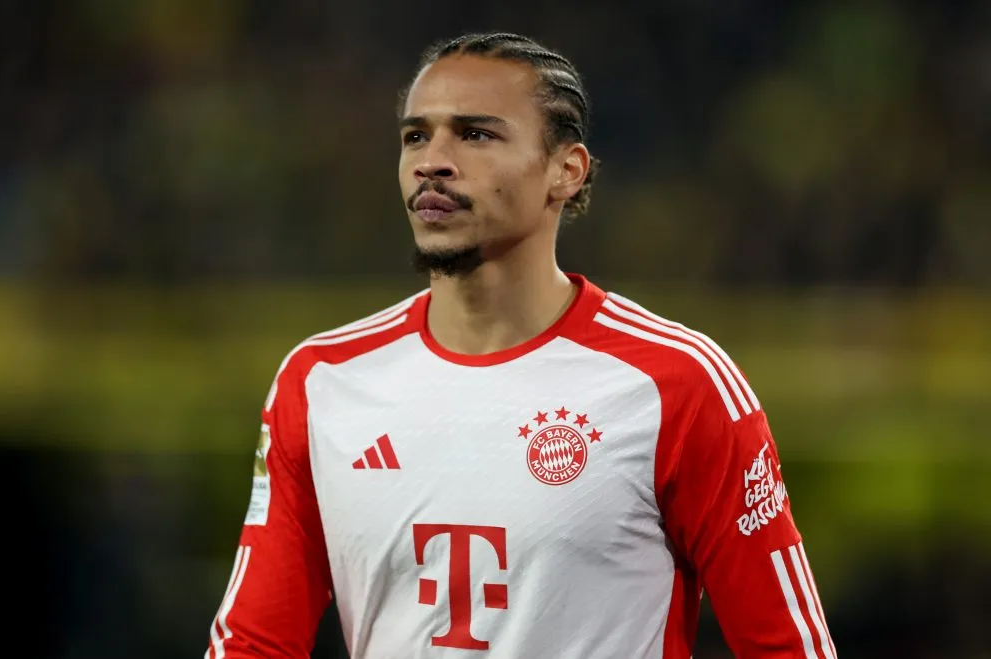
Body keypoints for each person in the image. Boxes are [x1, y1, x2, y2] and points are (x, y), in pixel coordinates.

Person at [205, 32, 837, 659]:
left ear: (566, 170)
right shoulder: (322, 382)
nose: (433, 160)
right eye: (415, 136)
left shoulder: (676, 386)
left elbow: (787, 647)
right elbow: (255, 643)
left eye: (476, 134)